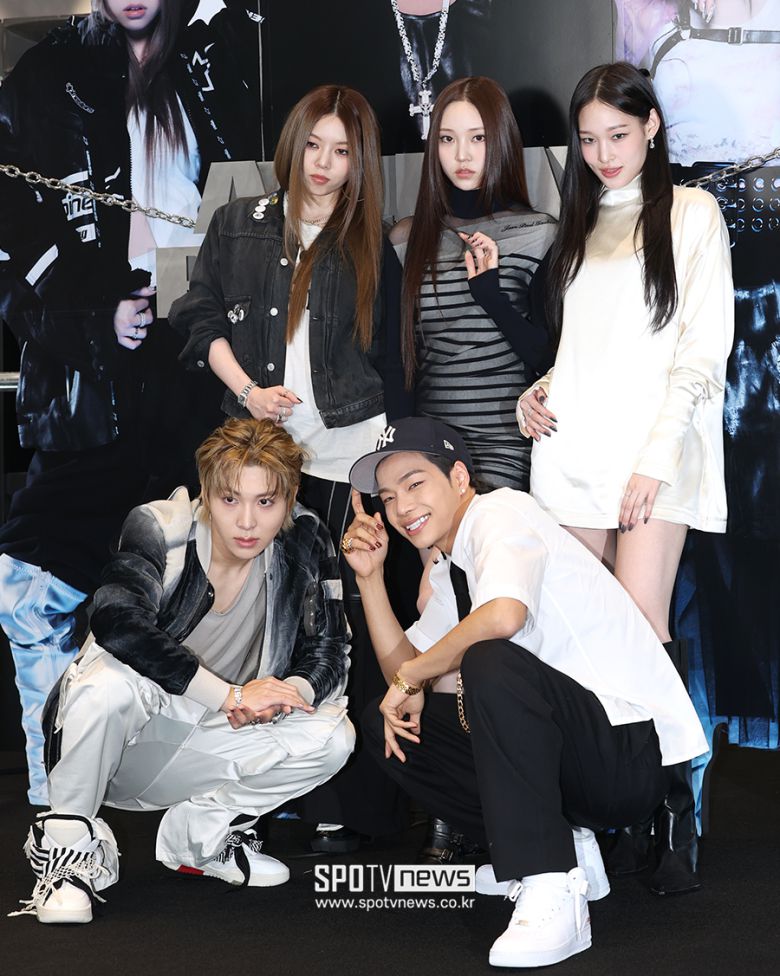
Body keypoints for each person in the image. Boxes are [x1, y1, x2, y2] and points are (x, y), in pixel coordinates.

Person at [0, 0, 262, 805]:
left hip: (206, 371)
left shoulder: (224, 62)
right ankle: (58, 795)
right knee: (34, 585)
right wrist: (95, 319)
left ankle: (224, 793)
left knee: (225, 585)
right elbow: (12, 251)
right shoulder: (46, 75)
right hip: (88, 388)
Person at [339, 415, 707, 968]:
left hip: (629, 755)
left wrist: (413, 677)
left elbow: (503, 617)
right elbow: (405, 670)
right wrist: (369, 578)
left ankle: (549, 882)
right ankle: (566, 849)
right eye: (388, 498)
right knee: (383, 723)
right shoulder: (451, 568)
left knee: (489, 662)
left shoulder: (500, 512)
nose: (400, 507)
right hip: (579, 761)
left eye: (415, 484)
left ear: (458, 477)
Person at [170, 84, 414, 851]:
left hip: (348, 454)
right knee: (259, 624)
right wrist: (247, 391)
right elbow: (197, 314)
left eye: (342, 151)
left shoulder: (367, 240)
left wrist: (391, 460)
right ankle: (259, 794)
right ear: (293, 143)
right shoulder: (237, 224)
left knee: (342, 619)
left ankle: (347, 802)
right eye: (314, 145)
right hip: (260, 458)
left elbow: (393, 360)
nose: (323, 164)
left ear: (358, 161)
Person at [10, 418, 353, 925]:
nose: (247, 522)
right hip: (120, 745)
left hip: (213, 736)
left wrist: (284, 693)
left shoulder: (306, 537)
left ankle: (202, 839)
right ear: (206, 494)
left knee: (332, 737)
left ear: (290, 498)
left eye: (266, 502)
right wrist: (232, 696)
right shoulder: (160, 527)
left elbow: (331, 649)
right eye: (230, 499)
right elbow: (117, 621)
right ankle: (68, 855)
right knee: (108, 683)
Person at [516, 62, 733, 646]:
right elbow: (591, 345)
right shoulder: (580, 224)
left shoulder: (692, 213)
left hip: (652, 453)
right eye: (588, 140)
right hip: (572, 452)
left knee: (639, 632)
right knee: (577, 634)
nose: (603, 155)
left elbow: (701, 353)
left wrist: (655, 462)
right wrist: (539, 391)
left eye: (618, 135)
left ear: (651, 125)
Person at [392, 75, 556, 493]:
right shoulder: (409, 239)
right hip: (430, 449)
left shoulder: (538, 233)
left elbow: (549, 358)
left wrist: (492, 298)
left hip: (507, 445)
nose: (461, 154)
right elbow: (399, 360)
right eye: (447, 139)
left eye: (477, 138)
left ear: (500, 139)